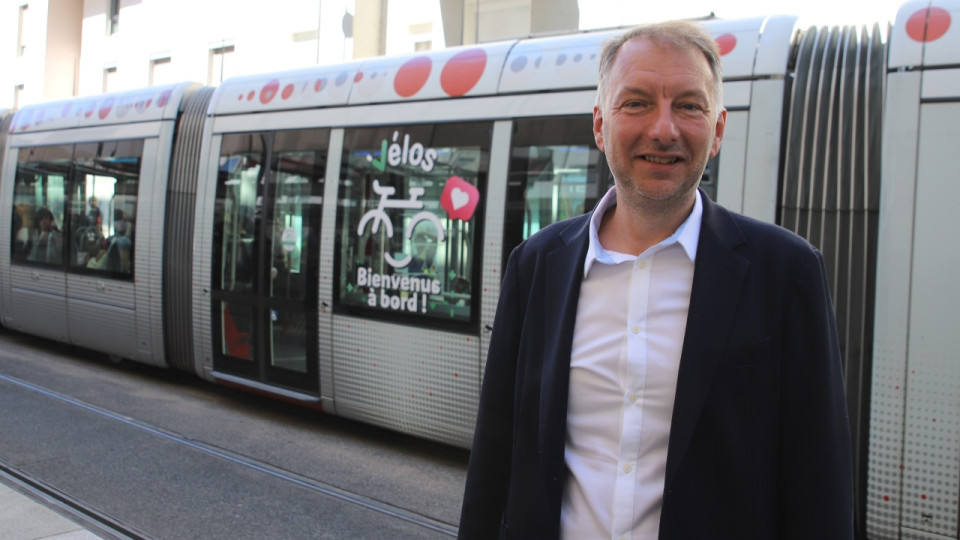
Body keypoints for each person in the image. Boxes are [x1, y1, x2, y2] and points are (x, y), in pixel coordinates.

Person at [458, 20, 853, 540]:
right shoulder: (536, 264)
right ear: (600, 125)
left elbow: (818, 485)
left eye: (689, 105)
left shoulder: (786, 272)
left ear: (717, 131)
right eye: (637, 102)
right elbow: (495, 457)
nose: (664, 129)